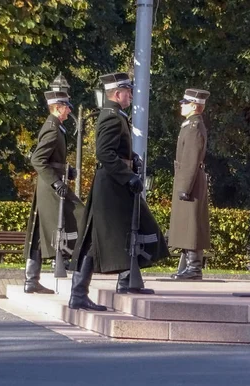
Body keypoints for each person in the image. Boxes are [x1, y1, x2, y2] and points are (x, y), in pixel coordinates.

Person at [69, 72, 169, 300]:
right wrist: (128, 176)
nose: (131, 95)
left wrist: (132, 157)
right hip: (112, 185)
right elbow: (104, 152)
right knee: (100, 239)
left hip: (115, 183)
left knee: (131, 229)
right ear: (117, 93)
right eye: (128, 91)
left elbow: (115, 149)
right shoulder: (112, 117)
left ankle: (127, 281)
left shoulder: (115, 115)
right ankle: (79, 294)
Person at [22, 90, 84, 294]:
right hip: (51, 187)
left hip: (51, 184)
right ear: (57, 107)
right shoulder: (52, 128)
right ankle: (70, 259)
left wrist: (67, 171)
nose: (69, 111)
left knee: (39, 231)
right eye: (66, 107)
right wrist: (56, 182)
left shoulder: (57, 127)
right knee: (81, 215)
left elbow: (51, 160)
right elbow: (38, 159)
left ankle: (32, 279)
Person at [168, 89, 211, 280]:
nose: (181, 105)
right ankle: (187, 265)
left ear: (194, 105)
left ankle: (194, 267)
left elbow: (191, 159)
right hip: (187, 179)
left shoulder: (194, 127)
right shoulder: (190, 125)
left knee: (192, 225)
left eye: (185, 103)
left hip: (190, 181)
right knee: (186, 224)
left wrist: (185, 187)